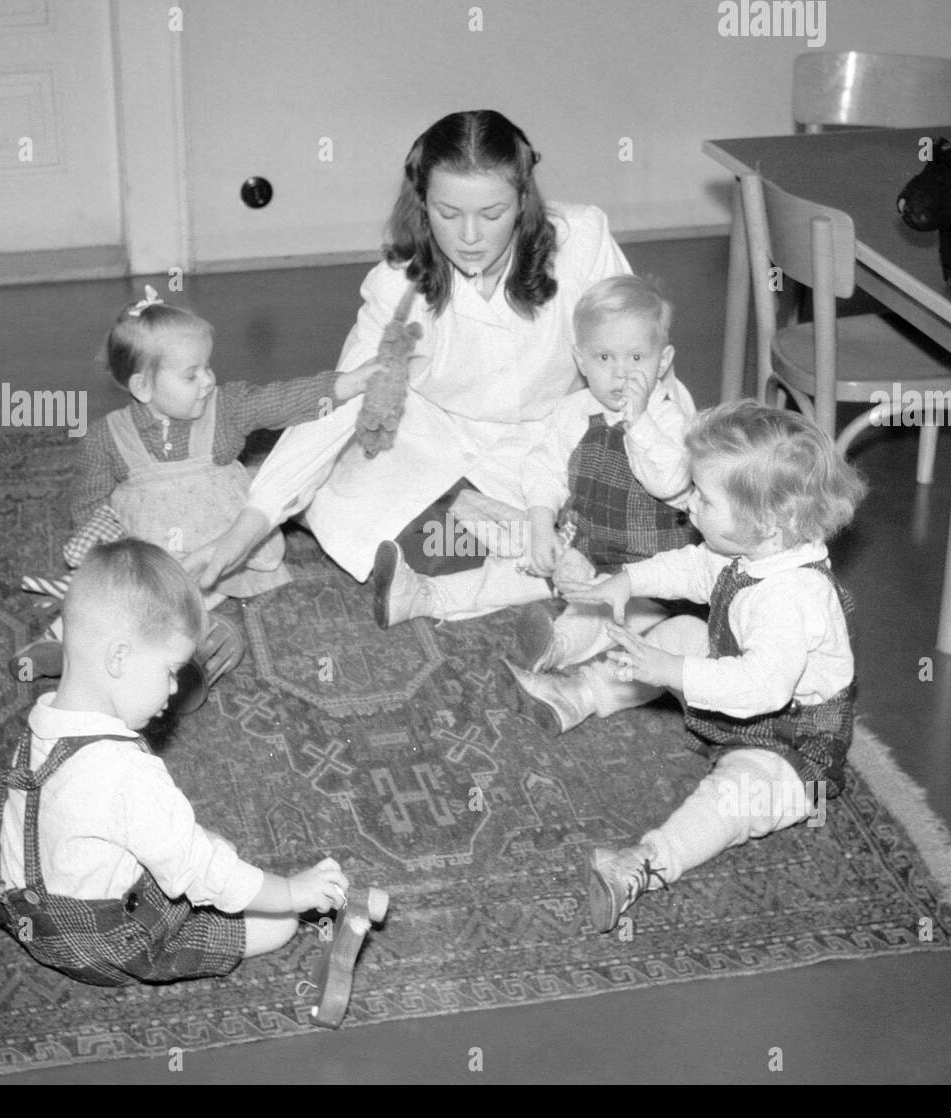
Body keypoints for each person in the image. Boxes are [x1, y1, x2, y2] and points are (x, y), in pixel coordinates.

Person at [183, 109, 632, 590]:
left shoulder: (582, 239)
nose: (470, 237)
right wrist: (247, 528)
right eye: (448, 213)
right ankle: (474, 521)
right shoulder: (396, 285)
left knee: (628, 531)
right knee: (380, 530)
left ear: (524, 199)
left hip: (558, 432)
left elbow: (636, 355)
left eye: (493, 213)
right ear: (422, 203)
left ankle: (497, 532)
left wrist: (658, 450)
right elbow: (345, 399)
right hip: (439, 435)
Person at [504, 403, 866, 934]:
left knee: (731, 798)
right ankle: (578, 693)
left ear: (766, 523)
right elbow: (696, 569)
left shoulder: (792, 597)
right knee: (684, 632)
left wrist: (671, 671)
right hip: (734, 694)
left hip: (790, 745)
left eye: (703, 496)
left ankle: (643, 866)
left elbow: (761, 687)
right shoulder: (757, 549)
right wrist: (627, 581)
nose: (688, 505)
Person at [0, 539, 351, 985]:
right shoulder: (126, 774)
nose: (175, 690)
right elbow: (205, 873)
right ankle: (156, 941)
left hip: (25, 903)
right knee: (278, 920)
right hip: (98, 938)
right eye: (171, 670)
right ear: (118, 657)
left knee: (188, 844)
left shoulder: (44, 720)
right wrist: (293, 891)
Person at [10, 286, 381, 709]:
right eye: (191, 374)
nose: (207, 381)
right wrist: (104, 549)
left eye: (208, 367)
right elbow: (89, 500)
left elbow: (279, 401)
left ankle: (187, 661)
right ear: (143, 387)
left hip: (217, 552)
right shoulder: (104, 437)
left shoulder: (225, 410)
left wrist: (345, 385)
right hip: (153, 554)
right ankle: (62, 644)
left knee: (179, 610)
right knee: (109, 596)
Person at [372, 274, 697, 677]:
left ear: (662, 361)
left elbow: (670, 482)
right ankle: (422, 596)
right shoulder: (575, 412)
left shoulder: (671, 420)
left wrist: (639, 422)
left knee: (604, 612)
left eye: (636, 358)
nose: (621, 375)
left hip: (646, 572)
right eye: (604, 358)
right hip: (582, 545)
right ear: (581, 361)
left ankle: (556, 646)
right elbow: (545, 469)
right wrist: (542, 526)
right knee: (510, 571)